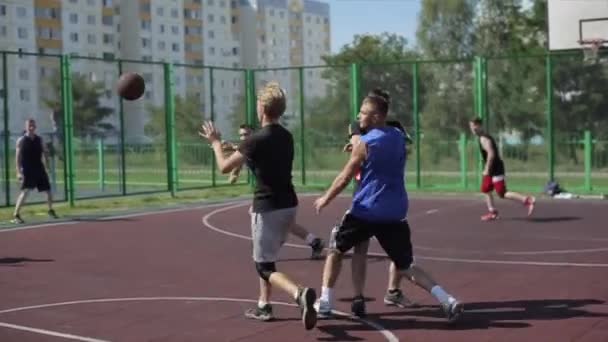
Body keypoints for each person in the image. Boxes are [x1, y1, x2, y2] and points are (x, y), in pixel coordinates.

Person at [313, 89, 464, 322]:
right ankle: (447, 300)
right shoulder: (396, 136)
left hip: (366, 210)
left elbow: (345, 177)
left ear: (375, 117)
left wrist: (325, 198)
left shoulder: (365, 143)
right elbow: (372, 144)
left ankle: (324, 302)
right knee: (406, 266)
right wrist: (357, 142)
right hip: (394, 211)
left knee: (335, 250)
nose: (359, 116)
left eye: (363, 113)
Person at [199, 81, 317, 330]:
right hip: (289, 204)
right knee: (267, 258)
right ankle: (264, 305)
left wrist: (215, 143)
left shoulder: (255, 140)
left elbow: (224, 167)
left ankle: (299, 294)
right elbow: (258, 154)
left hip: (268, 206)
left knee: (263, 267)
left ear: (262, 108)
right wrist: (238, 147)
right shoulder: (286, 136)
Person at [223, 124, 326, 260]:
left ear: (254, 134)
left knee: (271, 222)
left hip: (273, 194)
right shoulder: (248, 149)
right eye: (241, 135)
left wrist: (219, 145)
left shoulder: (257, 145)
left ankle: (263, 251)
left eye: (247, 134)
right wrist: (234, 172)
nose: (244, 137)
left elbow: (232, 161)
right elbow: (235, 169)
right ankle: (314, 241)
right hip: (279, 194)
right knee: (286, 223)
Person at [469, 118, 536, 221]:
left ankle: (527, 200)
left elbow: (491, 154)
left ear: (479, 126)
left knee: (502, 193)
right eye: (471, 127)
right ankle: (492, 212)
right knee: (486, 189)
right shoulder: (482, 137)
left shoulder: (484, 138)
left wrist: (487, 169)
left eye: (473, 126)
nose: (472, 129)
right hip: (492, 168)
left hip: (495, 168)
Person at [12, 118, 58, 224]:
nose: (32, 127)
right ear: (26, 127)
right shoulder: (21, 140)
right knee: (25, 192)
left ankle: (50, 210)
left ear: (35, 127)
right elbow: (17, 158)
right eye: (29, 126)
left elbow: (45, 152)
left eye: (33, 126)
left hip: (39, 168)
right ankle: (16, 214)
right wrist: (18, 171)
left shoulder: (39, 139)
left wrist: (47, 166)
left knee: (48, 191)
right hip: (28, 169)